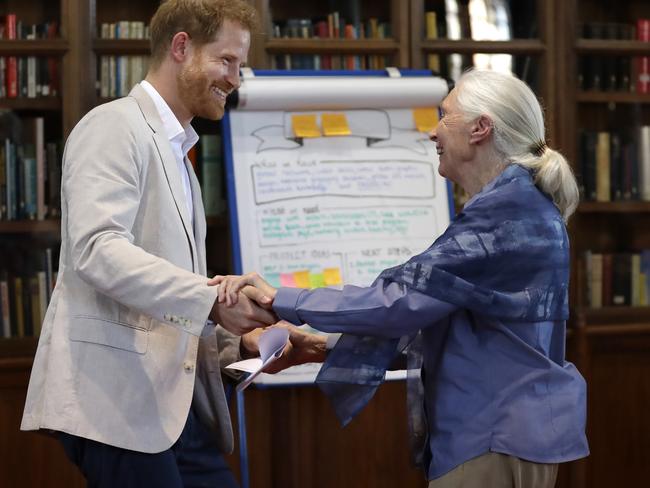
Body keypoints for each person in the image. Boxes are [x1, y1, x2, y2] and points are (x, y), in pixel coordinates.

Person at [212, 69, 590, 488]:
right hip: (506, 432)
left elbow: (396, 302)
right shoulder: (516, 207)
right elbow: (444, 326)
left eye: (444, 117)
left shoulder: (505, 215)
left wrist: (280, 298)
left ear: (481, 128)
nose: (432, 132)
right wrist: (321, 346)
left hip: (493, 434)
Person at [20, 1, 323, 486]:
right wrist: (212, 301)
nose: (236, 79)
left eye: (238, 65)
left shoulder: (179, 152)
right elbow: (96, 250)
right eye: (227, 61)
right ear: (182, 47)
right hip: (115, 405)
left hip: (172, 410)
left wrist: (237, 343)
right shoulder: (113, 125)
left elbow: (167, 304)